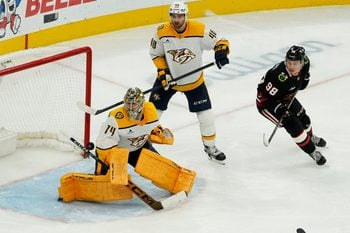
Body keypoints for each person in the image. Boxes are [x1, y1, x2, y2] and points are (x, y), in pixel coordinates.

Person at [58, 87, 196, 203]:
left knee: (163, 172)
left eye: (134, 104)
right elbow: (103, 144)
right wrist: (113, 162)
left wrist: (158, 133)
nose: (130, 107)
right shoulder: (115, 118)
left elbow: (150, 127)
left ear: (141, 104)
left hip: (140, 147)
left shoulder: (150, 109)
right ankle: (73, 188)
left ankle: (181, 183)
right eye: (127, 103)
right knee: (105, 183)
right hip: (117, 151)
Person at [148, 1, 230, 164]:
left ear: (186, 16)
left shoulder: (200, 30)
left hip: (194, 81)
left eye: (179, 16)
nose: (176, 19)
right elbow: (155, 54)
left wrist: (221, 52)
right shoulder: (161, 32)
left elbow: (221, 41)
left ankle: (210, 147)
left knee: (206, 117)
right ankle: (140, 143)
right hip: (169, 79)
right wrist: (163, 72)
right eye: (173, 16)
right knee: (152, 113)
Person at [256, 45, 327, 165]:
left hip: (285, 96)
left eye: (295, 64)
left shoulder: (306, 62)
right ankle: (312, 151)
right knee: (293, 124)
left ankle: (310, 137)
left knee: (303, 117)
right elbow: (265, 98)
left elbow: (301, 84)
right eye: (289, 63)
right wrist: (279, 109)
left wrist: (304, 80)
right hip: (267, 103)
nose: (291, 66)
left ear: (301, 62)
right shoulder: (279, 76)